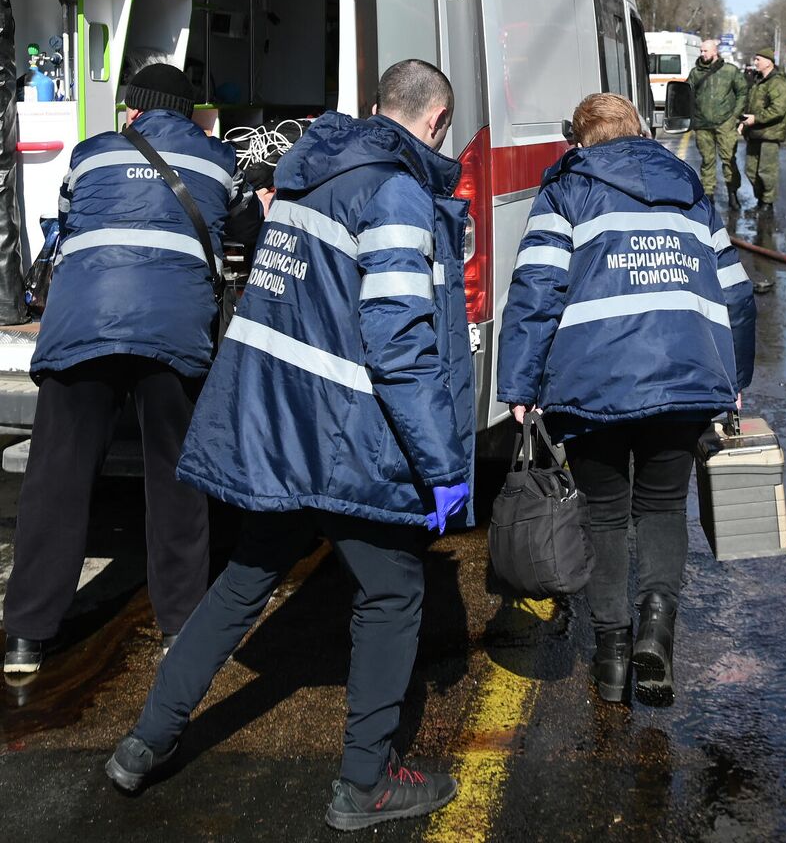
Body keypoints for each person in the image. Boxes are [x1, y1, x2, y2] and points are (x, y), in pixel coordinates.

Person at [105, 60, 475, 833]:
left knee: (241, 584)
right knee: (393, 594)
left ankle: (144, 743)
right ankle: (365, 784)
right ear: (437, 121)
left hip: (283, 430)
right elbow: (398, 340)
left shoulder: (310, 176)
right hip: (347, 439)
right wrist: (443, 465)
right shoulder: (398, 192)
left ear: (377, 106)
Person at [2, 63, 261, 677]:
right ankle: (180, 627)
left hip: (81, 327)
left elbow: (69, 221)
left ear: (135, 110)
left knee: (57, 478)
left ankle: (25, 638)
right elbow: (249, 229)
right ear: (187, 110)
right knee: (174, 478)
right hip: (172, 332)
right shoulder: (219, 160)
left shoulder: (90, 154)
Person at [497, 92, 755, 706]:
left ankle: (612, 659)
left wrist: (519, 386)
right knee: (663, 508)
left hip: (591, 387)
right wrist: (733, 378)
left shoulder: (565, 190)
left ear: (580, 140)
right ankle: (657, 635)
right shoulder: (690, 189)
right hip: (685, 380)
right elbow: (737, 293)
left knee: (605, 516)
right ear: (639, 132)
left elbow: (536, 289)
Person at [686, 39, 748, 206]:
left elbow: (743, 92)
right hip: (702, 125)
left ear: (715, 51)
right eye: (701, 51)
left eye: (705, 51)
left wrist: (735, 115)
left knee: (729, 159)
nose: (702, 54)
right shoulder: (695, 73)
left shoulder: (730, 71)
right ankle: (709, 195)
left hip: (725, 123)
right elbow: (686, 95)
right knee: (707, 161)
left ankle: (733, 194)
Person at [741, 49, 786, 215]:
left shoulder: (778, 83)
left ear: (769, 61)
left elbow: (778, 110)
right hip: (755, 134)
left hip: (769, 135)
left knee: (766, 172)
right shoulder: (759, 81)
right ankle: (760, 200)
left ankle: (767, 204)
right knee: (750, 170)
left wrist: (754, 119)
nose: (755, 62)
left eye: (758, 59)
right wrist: (744, 123)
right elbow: (750, 105)